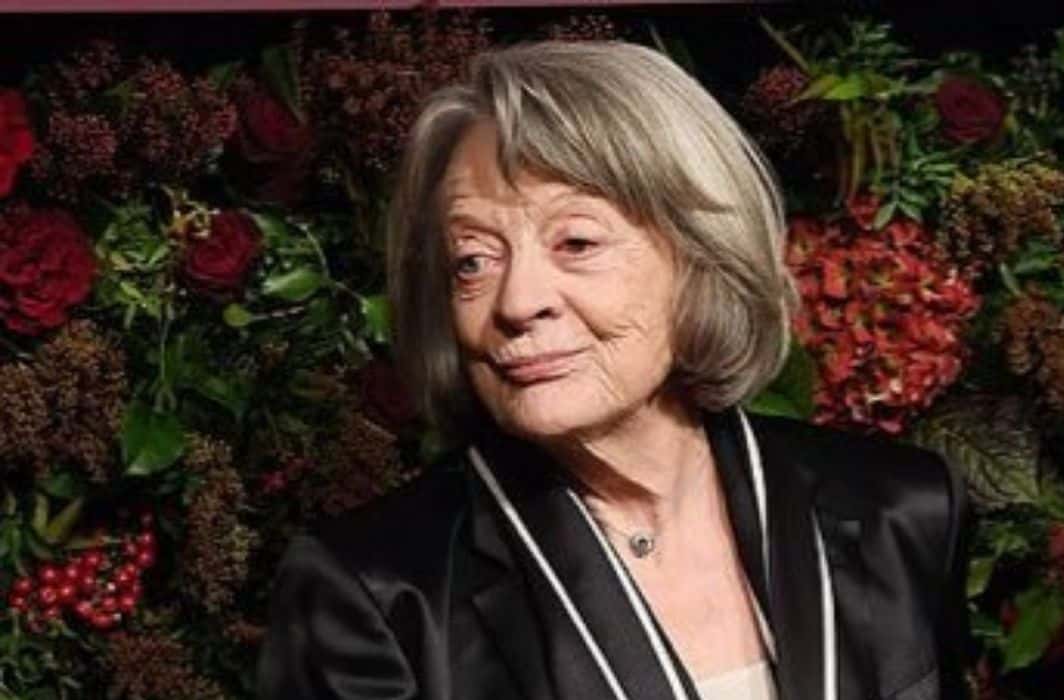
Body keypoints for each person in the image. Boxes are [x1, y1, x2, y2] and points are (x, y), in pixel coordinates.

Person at [257, 39, 972, 700]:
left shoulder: (901, 510)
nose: (518, 302)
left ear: (700, 254)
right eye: (472, 261)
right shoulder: (375, 596)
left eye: (575, 243)